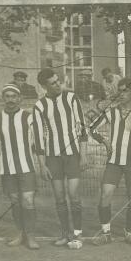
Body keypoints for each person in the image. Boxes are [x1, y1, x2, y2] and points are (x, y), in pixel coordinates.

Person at [33, 68, 88, 249]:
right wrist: (42, 165)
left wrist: (84, 155)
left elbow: (82, 129)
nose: (58, 85)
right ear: (44, 86)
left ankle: (78, 235)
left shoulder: (71, 98)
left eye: (58, 81)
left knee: (74, 196)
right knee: (59, 198)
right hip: (52, 157)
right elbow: (38, 137)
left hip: (72, 154)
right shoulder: (39, 106)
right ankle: (65, 234)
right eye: (53, 83)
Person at [0, 84, 40, 249]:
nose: (10, 100)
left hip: (27, 166)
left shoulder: (28, 117)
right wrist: (0, 152)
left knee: (28, 201)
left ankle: (31, 236)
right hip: (7, 168)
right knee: (15, 202)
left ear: (19, 98)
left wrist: (41, 160)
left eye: (13, 96)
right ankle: (19, 233)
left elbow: (38, 142)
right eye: (7, 96)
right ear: (3, 99)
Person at [90, 78, 131, 245]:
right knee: (105, 194)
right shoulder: (112, 112)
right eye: (119, 91)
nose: (121, 94)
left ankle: (129, 231)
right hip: (114, 161)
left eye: (125, 91)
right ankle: (106, 233)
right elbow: (92, 128)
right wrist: (105, 142)